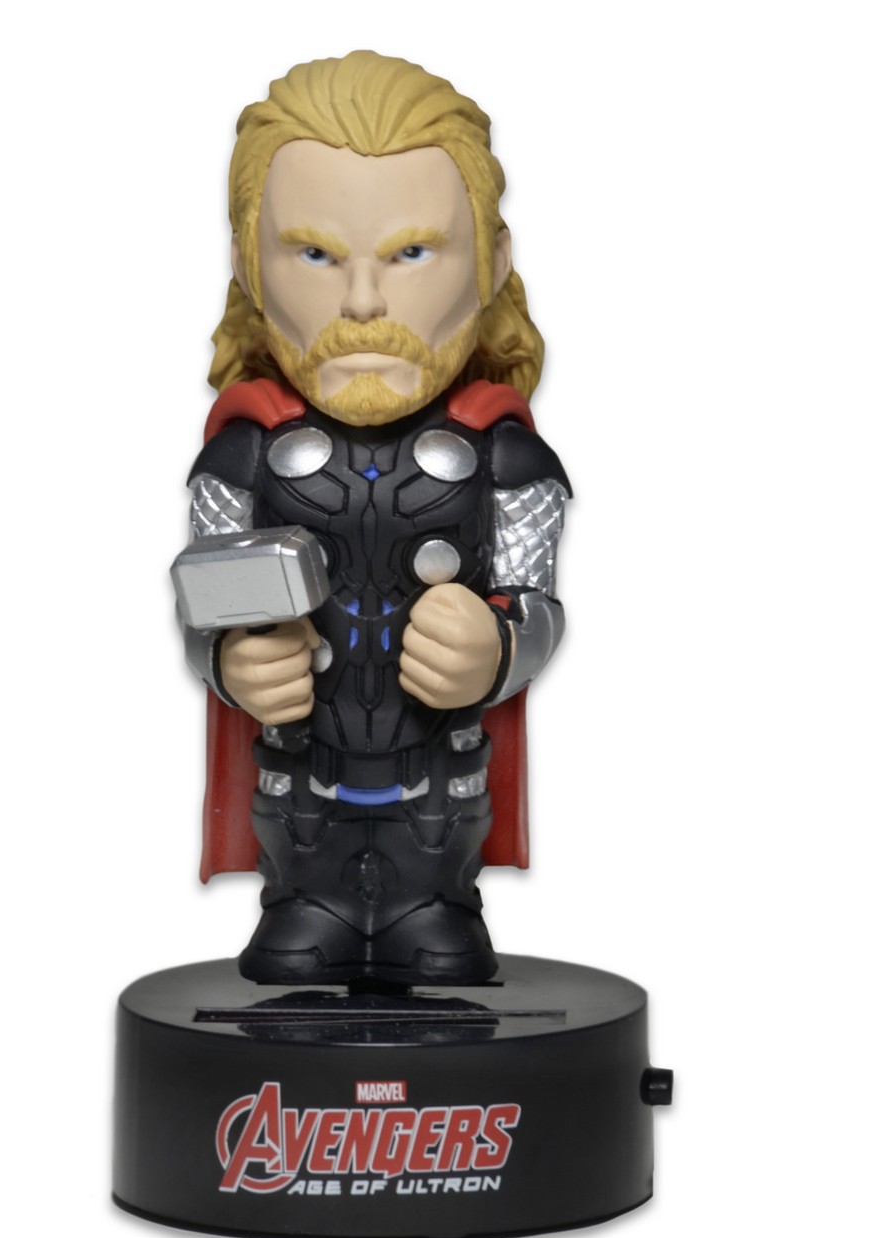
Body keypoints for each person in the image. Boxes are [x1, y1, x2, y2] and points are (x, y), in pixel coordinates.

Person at [178, 52, 571, 985]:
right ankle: (307, 908)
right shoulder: (242, 457)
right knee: (294, 943)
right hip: (298, 800)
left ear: (491, 261)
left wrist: (497, 647)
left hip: (438, 797)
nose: (363, 302)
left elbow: (538, 604)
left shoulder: (505, 460)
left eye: (411, 253)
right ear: (248, 263)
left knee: (439, 941)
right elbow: (206, 609)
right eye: (315, 254)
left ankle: (433, 909)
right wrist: (233, 663)